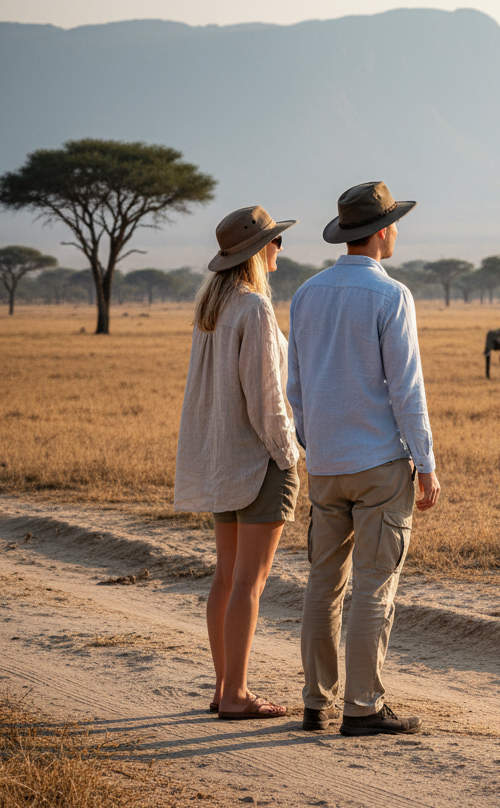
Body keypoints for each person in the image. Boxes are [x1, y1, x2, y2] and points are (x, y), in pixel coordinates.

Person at [287, 181, 440, 736]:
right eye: (394, 222)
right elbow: (406, 389)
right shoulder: (392, 295)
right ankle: (364, 708)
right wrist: (424, 462)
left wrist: (315, 444)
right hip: (379, 464)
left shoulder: (305, 294)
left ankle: (314, 703)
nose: (396, 230)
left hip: (325, 467)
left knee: (323, 583)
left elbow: (296, 388)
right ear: (380, 233)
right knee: (374, 587)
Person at [174, 206, 300, 720]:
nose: (279, 249)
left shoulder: (214, 309)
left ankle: (224, 686)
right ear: (256, 252)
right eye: (273, 241)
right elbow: (267, 399)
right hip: (258, 462)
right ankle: (236, 696)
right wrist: (289, 454)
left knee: (225, 578)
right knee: (250, 581)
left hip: (221, 462)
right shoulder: (254, 309)